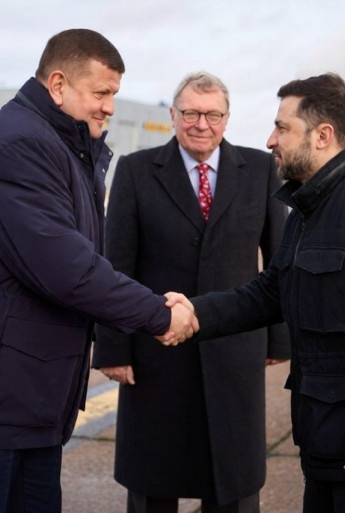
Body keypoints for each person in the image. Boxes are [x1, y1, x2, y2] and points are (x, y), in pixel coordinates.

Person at [0, 29, 196, 513]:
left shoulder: (62, 147)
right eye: (101, 93)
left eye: (114, 94)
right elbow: (68, 270)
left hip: (22, 394)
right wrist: (159, 314)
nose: (110, 107)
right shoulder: (19, 147)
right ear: (58, 85)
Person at [170, 73, 345, 513]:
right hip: (328, 443)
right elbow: (272, 291)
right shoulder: (310, 207)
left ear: (322, 135)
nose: (270, 140)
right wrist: (195, 314)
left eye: (282, 128)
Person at [93, 71, 290, 513]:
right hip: (155, 353)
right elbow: (115, 267)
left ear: (227, 118)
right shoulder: (137, 171)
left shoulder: (260, 170)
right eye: (191, 113)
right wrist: (113, 348)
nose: (202, 124)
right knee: (153, 480)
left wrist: (278, 339)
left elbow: (279, 260)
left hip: (235, 350)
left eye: (213, 114)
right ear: (173, 115)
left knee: (234, 482)